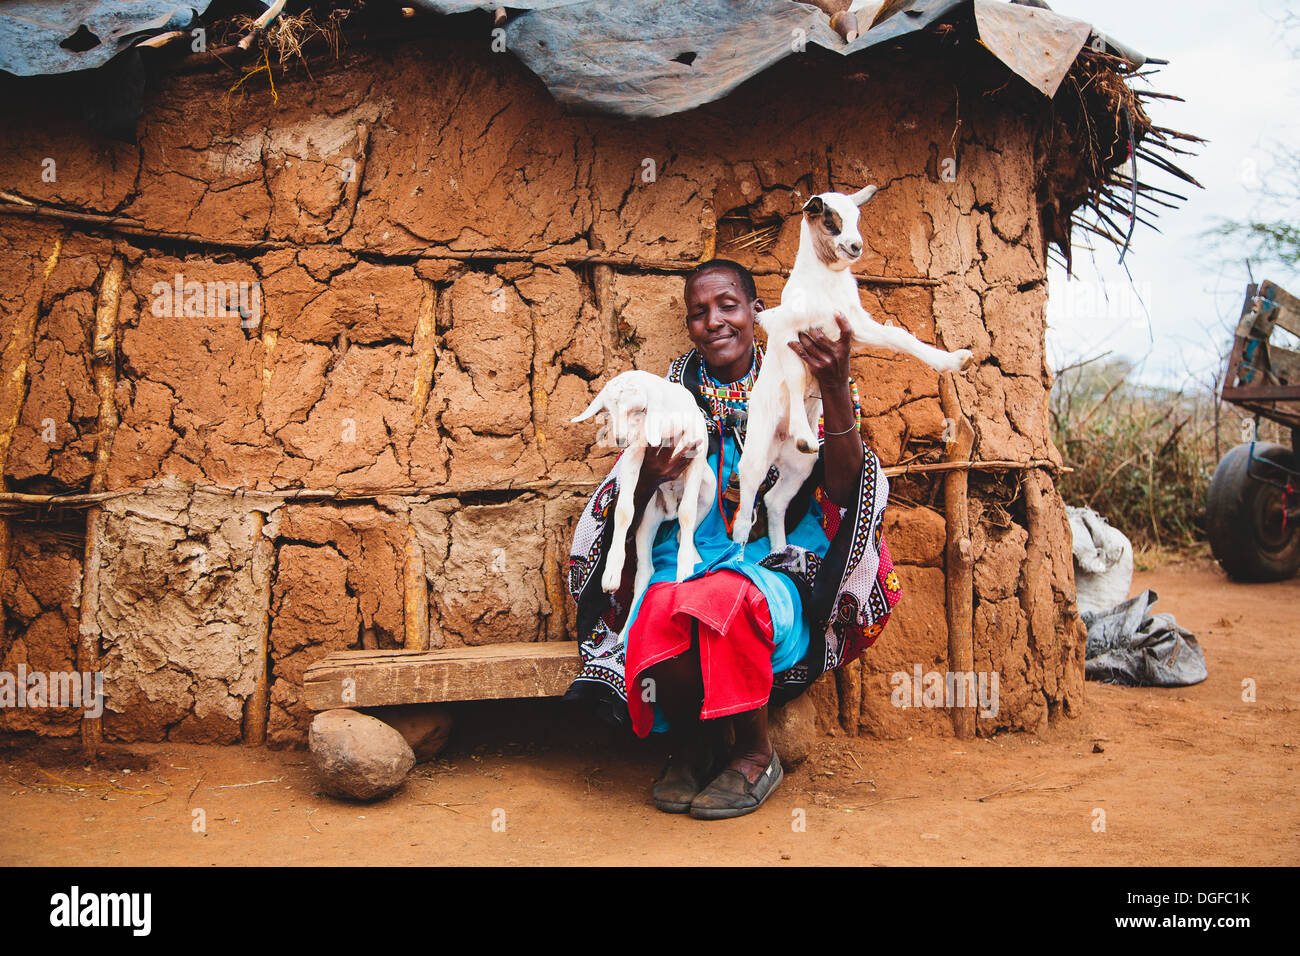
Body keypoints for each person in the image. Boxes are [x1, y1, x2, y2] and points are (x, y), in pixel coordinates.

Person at [565, 259, 901, 819]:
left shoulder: (802, 385)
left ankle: (753, 752)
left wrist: (837, 385)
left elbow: (845, 488)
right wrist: (651, 474)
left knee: (725, 600)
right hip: (685, 561)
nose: (714, 321)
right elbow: (622, 497)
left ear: (756, 313)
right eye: (699, 313)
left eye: (728, 305)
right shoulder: (669, 396)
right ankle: (697, 744)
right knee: (659, 608)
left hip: (773, 562)